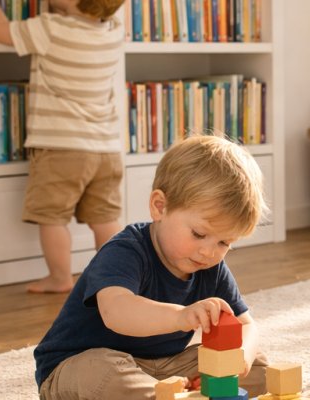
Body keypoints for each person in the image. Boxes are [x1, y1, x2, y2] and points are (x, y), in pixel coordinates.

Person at [32, 135, 269, 399]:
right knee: (103, 373)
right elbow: (116, 311)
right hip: (78, 365)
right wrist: (181, 316)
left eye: (224, 241)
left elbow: (246, 325)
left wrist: (239, 361)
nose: (209, 251)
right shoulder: (126, 250)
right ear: (160, 207)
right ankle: (164, 394)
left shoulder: (211, 266)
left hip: (163, 366)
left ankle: (171, 393)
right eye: (199, 234)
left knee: (259, 367)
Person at [0, 0, 127, 293]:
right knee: (105, 217)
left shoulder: (51, 28)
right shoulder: (113, 31)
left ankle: (60, 277)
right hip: (107, 148)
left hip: (62, 146)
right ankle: (115, 278)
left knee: (51, 217)